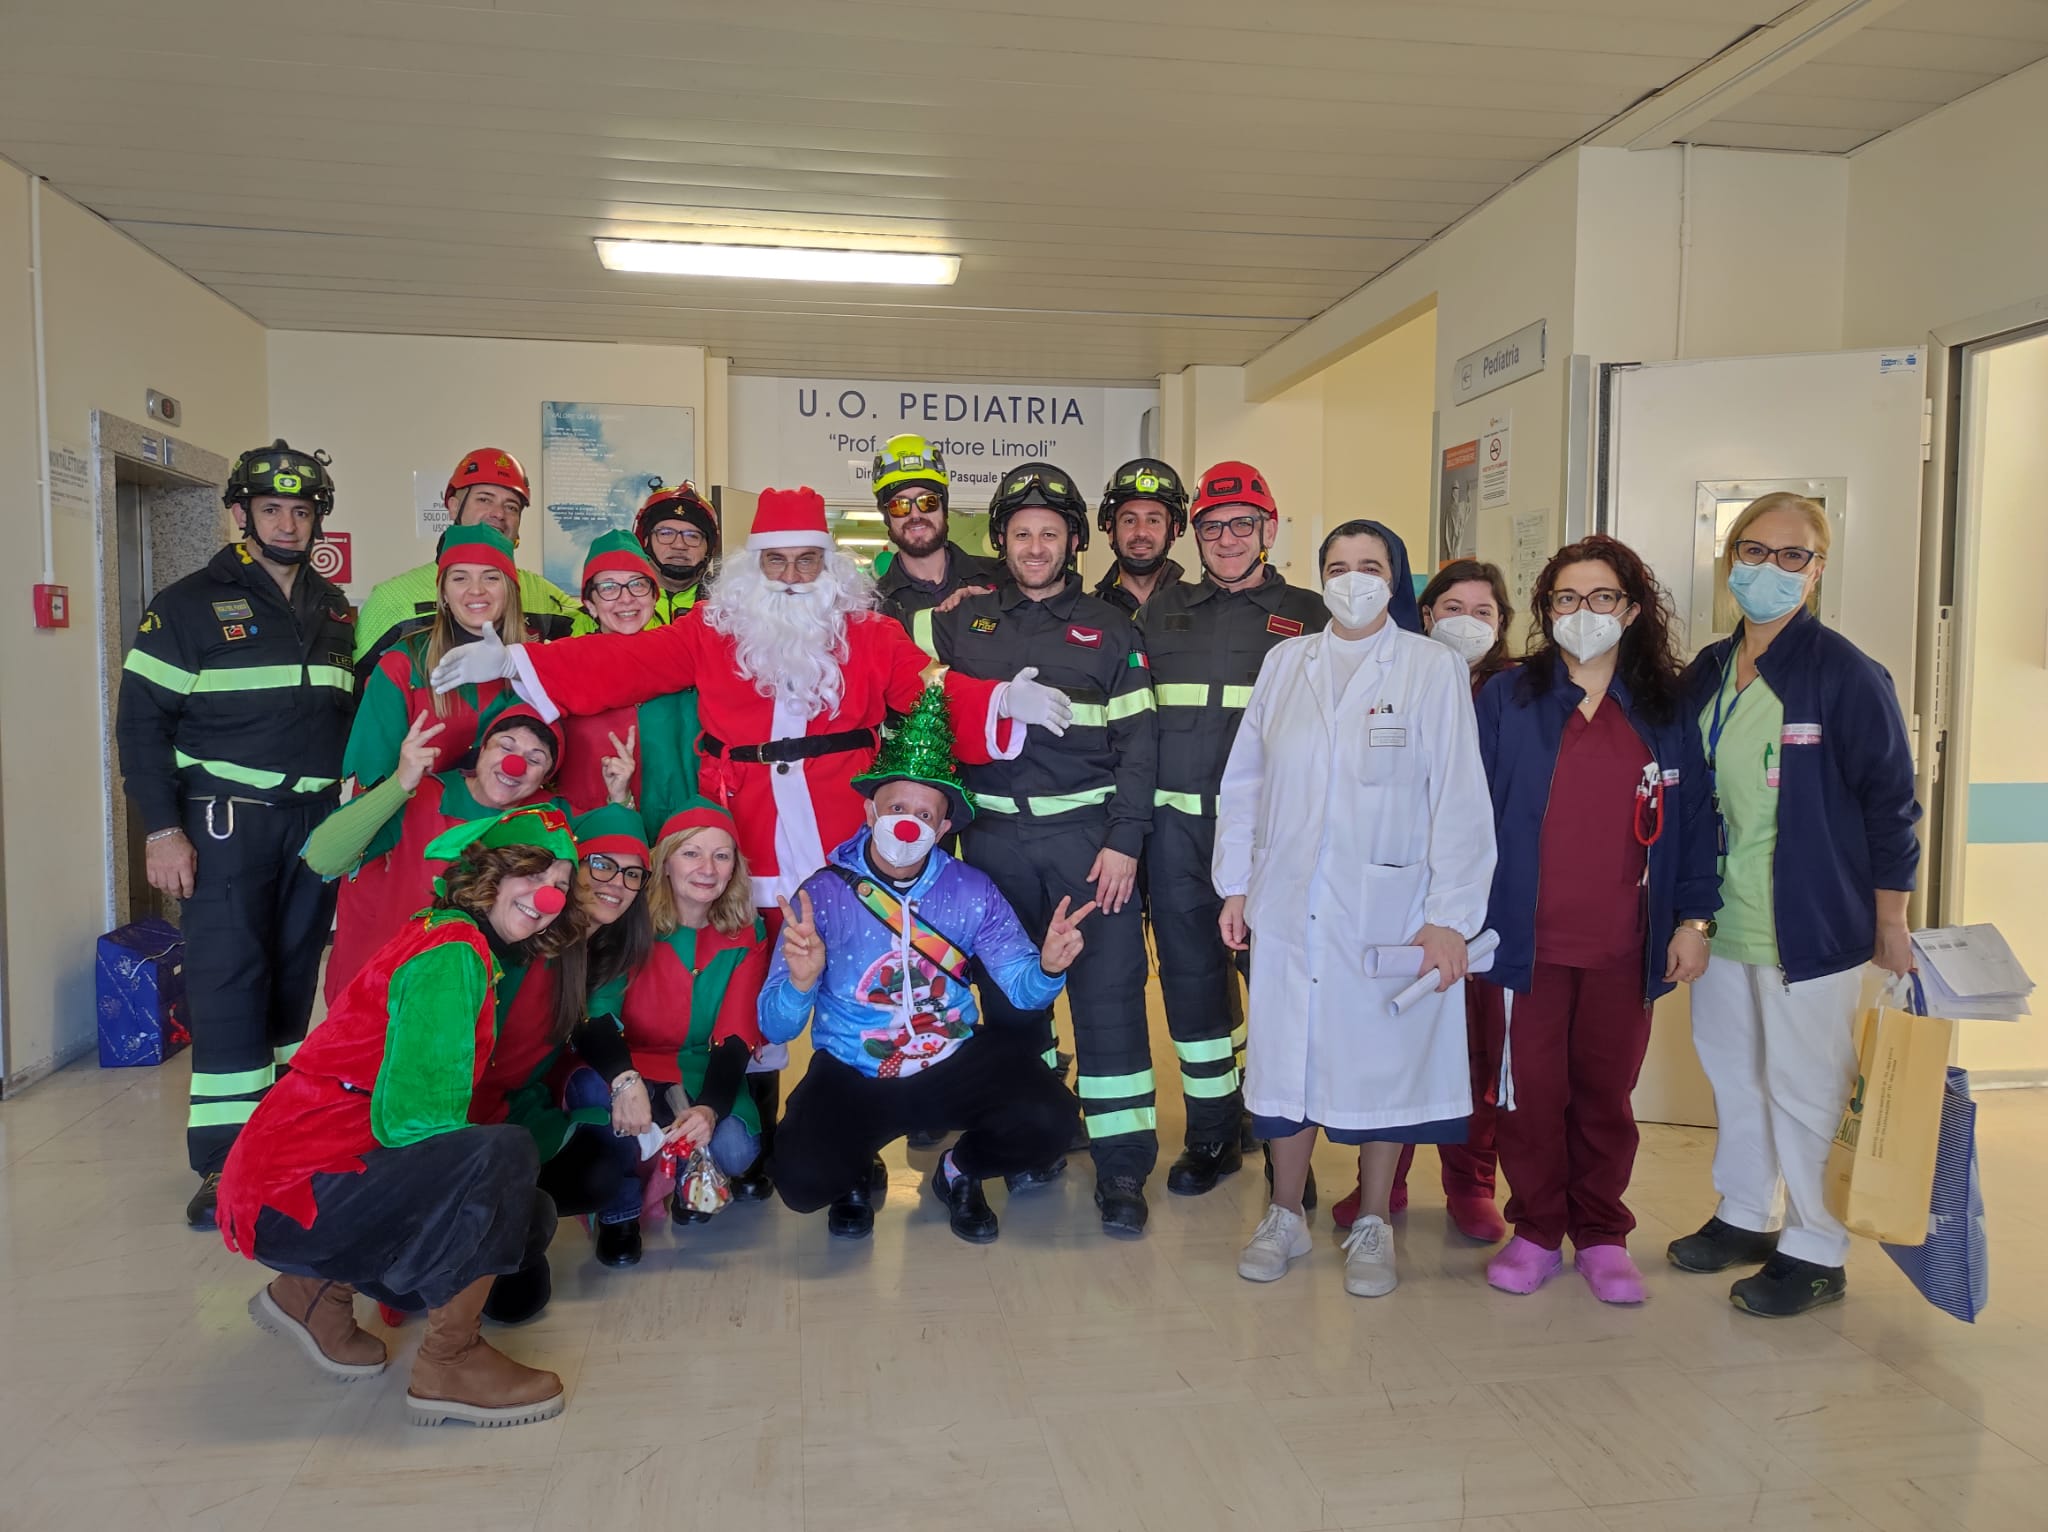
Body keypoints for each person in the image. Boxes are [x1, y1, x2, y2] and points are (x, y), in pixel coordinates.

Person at [218, 805, 583, 1428]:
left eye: (561, 884)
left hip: (287, 1183)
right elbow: (417, 1120)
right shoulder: (454, 952)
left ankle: (311, 1291)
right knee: (502, 1155)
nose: (548, 896)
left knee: (528, 1213)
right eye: (532, 872)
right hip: (294, 1188)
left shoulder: (448, 935)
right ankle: (449, 1363)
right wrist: (468, 1195)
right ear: (490, 872)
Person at [1215, 519, 1495, 1297]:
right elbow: (1246, 782)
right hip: (1287, 899)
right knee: (1286, 1059)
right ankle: (1284, 1215)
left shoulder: (1431, 667)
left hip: (1390, 906)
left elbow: (1460, 800)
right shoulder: (1287, 662)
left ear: (1394, 578)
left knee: (1382, 1063)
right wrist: (1236, 883)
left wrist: (1450, 916)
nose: (1352, 580)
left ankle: (1374, 1221)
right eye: (1337, 566)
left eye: (1369, 565)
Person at [1667, 492, 1920, 1317]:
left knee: (1807, 1086)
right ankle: (1748, 1211)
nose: (1768, 568)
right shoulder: (1710, 669)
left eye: (1791, 555)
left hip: (1810, 923)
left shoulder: (1844, 674)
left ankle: (1816, 1249)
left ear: (1816, 571)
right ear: (1729, 559)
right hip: (1721, 917)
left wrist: (1891, 921)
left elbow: (1892, 806)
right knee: (1734, 1073)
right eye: (1753, 550)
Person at [116, 438, 356, 1226]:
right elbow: (141, 726)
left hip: (313, 825)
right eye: (271, 508)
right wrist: (161, 830)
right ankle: (225, 1163)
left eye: (301, 509)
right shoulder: (185, 605)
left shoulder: (334, 608)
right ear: (240, 514)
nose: (288, 522)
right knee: (228, 985)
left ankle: (280, 1138)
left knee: (292, 980)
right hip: (224, 825)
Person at [1474, 536, 1720, 1303]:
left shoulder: (1665, 710)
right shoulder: (1508, 699)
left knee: (1606, 1096)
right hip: (1525, 945)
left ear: (1632, 609)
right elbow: (1463, 812)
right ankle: (1538, 1230)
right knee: (1529, 1098)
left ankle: (1603, 1234)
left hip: (1624, 945)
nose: (1585, 612)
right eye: (1567, 599)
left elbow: (1698, 822)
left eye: (1602, 597)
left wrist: (1694, 922)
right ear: (1547, 611)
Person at [760, 686, 1089, 1243]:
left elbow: (1024, 990)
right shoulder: (820, 896)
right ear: (870, 811)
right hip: (855, 1067)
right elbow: (774, 1026)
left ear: (941, 829)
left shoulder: (973, 890)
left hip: (953, 1056)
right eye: (896, 809)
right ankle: (856, 1169)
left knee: (1052, 1119)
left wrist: (1049, 967)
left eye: (924, 814)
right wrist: (800, 981)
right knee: (800, 1179)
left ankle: (959, 1171)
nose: (908, 825)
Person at [925, 463, 1161, 1233]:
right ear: (1001, 540)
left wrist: (1125, 842)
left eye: (1049, 534)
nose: (1034, 546)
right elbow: (920, 702)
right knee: (1009, 1008)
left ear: (1074, 542)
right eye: (1021, 533)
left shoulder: (1111, 628)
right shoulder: (963, 621)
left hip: (1087, 847)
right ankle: (1028, 1142)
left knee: (1109, 1001)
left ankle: (1122, 1167)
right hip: (991, 845)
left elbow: (1141, 746)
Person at [1135, 461, 1326, 1197]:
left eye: (1242, 524)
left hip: (1273, 842)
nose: (1227, 539)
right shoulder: (1162, 611)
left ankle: (1285, 1149)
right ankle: (1212, 1134)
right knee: (1191, 990)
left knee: (1280, 993)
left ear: (1268, 528)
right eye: (1212, 527)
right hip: (1177, 836)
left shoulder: (1311, 615)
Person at [1334, 558, 1517, 1239]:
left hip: (1488, 901)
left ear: (1502, 625)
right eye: (1452, 609)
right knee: (1397, 1038)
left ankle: (1470, 1184)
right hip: (1402, 893)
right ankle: (1383, 1181)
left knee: (1478, 1048)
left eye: (1483, 612)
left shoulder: (1516, 695)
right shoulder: (1393, 677)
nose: (1466, 623)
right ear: (1427, 613)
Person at [578, 803, 774, 1260]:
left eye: (721, 856)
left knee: (736, 1148)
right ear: (665, 862)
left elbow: (735, 1033)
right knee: (592, 1092)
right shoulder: (630, 918)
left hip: (700, 1067)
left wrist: (710, 1108)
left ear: (735, 867)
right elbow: (597, 1013)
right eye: (691, 854)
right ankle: (620, 1211)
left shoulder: (747, 931)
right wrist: (623, 1078)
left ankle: (690, 1177)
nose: (707, 869)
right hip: (633, 1060)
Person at [473, 804, 653, 1271]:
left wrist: (625, 1078)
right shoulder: (524, 930)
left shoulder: (608, 948)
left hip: (520, 1102)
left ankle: (506, 1219)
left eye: (633, 874)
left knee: (599, 1173)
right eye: (602, 864)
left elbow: (594, 1019)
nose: (617, 883)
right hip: (460, 1106)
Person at [309, 703, 579, 1000]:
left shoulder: (546, 822)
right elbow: (323, 858)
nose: (515, 764)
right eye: (505, 746)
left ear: (545, 777)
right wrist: (400, 783)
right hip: (389, 984)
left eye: (535, 759)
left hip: (471, 995)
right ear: (483, 748)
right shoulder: (425, 794)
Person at [353, 447, 580, 681]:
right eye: (484, 499)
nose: (499, 513)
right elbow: (357, 687)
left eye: (511, 506)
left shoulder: (543, 595)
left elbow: (595, 646)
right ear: (453, 507)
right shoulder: (390, 599)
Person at [341, 525, 535, 793]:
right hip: (422, 818)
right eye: (460, 578)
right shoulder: (401, 666)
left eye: (491, 578)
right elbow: (370, 789)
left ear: (510, 589)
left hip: (519, 818)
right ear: (443, 593)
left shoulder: (539, 663)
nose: (476, 590)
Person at [556, 530, 702, 823]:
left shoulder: (685, 666)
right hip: (592, 834)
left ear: (653, 596)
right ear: (590, 604)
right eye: (609, 587)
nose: (626, 599)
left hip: (680, 835)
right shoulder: (563, 670)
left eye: (637, 585)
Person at [869, 433, 1001, 650]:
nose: (915, 515)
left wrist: (998, 608)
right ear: (887, 517)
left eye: (927, 501)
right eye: (899, 505)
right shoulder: (875, 607)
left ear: (943, 507)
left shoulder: (1002, 579)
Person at [1093, 457, 1188, 615]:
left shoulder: (1199, 610)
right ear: (1111, 530)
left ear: (1174, 531)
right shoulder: (1086, 614)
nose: (1141, 532)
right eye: (1129, 521)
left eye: (1153, 521)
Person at [633, 477, 721, 620]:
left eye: (692, 536)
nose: (679, 545)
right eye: (666, 533)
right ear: (646, 541)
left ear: (709, 548)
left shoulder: (730, 606)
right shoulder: (614, 606)